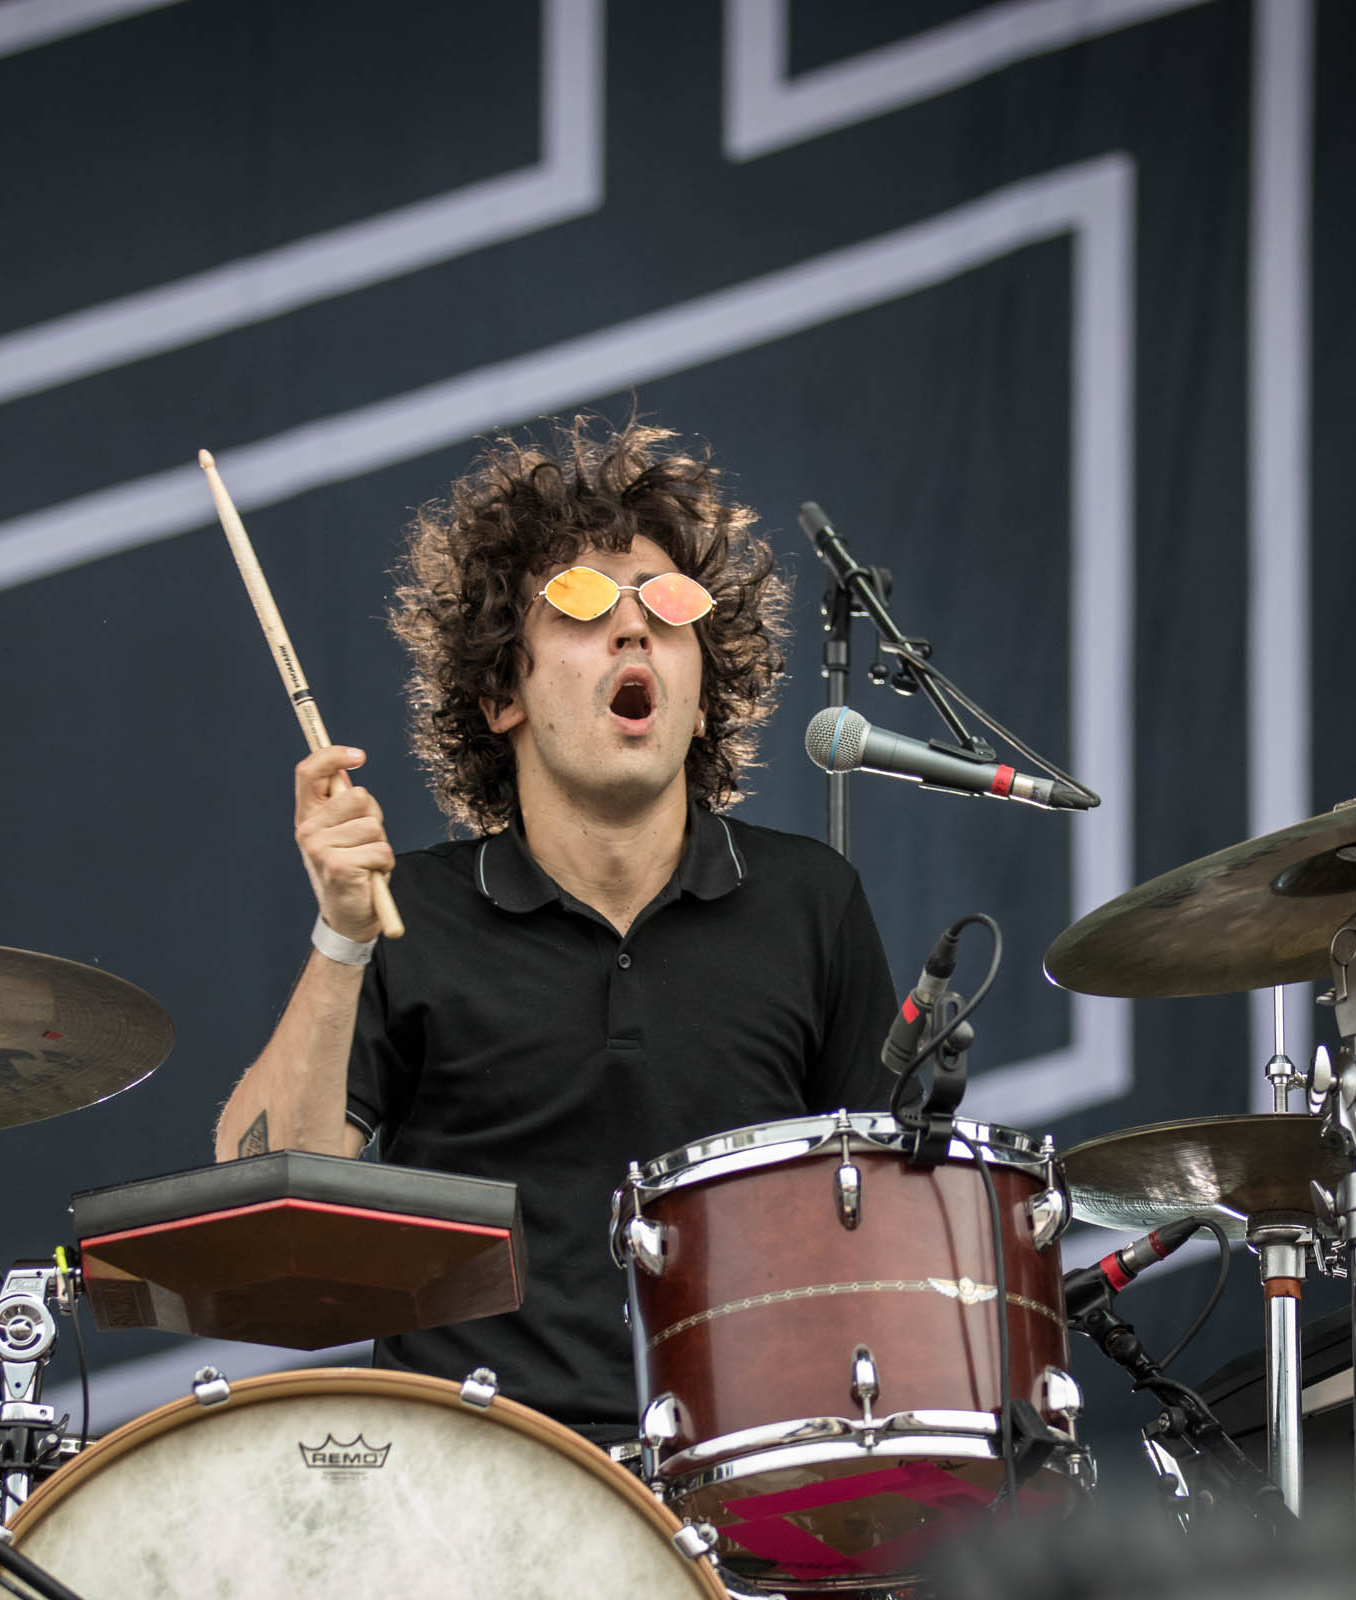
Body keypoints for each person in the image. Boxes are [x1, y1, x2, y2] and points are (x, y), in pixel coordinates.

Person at [213, 415, 896, 1444]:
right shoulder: (415, 915)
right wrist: (343, 934)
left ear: (703, 694)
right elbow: (265, 1195)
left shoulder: (811, 900)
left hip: (735, 1484)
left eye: (669, 608)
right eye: (581, 605)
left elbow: (888, 1230)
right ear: (500, 691)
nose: (634, 631)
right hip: (469, 1486)